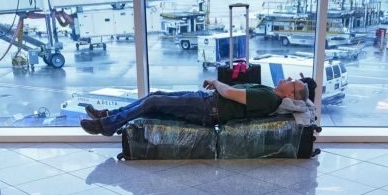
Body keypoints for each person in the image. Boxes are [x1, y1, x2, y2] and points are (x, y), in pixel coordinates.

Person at [79, 77, 309, 136]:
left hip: (208, 109)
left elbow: (228, 92)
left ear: (291, 93)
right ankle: (107, 115)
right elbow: (232, 92)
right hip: (207, 101)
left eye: (292, 82)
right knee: (155, 96)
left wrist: (217, 82)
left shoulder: (269, 99)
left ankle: (106, 125)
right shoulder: (269, 92)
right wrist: (216, 85)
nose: (287, 79)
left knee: (153, 102)